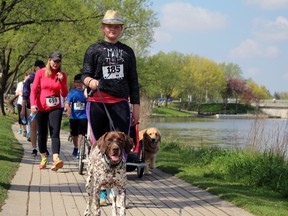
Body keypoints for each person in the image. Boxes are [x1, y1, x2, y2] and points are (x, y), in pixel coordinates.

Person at [81, 10, 140, 205]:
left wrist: (136, 108)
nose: (112, 29)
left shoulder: (127, 52)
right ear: (103, 27)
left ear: (121, 29)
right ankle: (102, 191)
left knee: (120, 148)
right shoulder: (93, 49)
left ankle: (120, 190)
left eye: (116, 26)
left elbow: (133, 81)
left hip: (120, 104)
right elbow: (85, 75)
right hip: (98, 103)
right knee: (101, 148)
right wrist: (90, 82)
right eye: (109, 26)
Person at [30, 51, 68, 171]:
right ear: (49, 60)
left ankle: (56, 159)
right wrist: (33, 104)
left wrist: (61, 81)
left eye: (58, 61)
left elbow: (65, 93)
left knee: (54, 132)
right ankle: (43, 157)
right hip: (40, 107)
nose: (55, 64)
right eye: (54, 61)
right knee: (42, 133)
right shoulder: (40, 73)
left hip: (55, 107)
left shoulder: (62, 75)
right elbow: (34, 90)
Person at [21, 60, 46, 156]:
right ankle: (34, 148)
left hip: (43, 105)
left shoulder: (46, 77)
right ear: (35, 68)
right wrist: (23, 109)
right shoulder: (29, 80)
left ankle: (43, 147)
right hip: (30, 106)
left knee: (43, 128)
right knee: (32, 126)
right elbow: (25, 95)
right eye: (40, 68)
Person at [64, 73, 87, 158]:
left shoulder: (86, 92)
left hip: (84, 116)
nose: (79, 84)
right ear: (74, 83)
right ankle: (75, 147)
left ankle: (80, 150)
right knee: (74, 134)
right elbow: (67, 102)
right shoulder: (72, 92)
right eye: (77, 82)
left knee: (81, 133)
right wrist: (67, 108)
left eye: (80, 82)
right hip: (74, 117)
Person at [16, 72, 29, 137]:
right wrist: (24, 94)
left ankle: (27, 130)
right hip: (21, 102)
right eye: (28, 77)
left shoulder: (31, 83)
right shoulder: (20, 84)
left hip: (29, 103)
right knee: (22, 117)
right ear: (25, 77)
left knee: (28, 117)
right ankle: (24, 130)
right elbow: (17, 92)